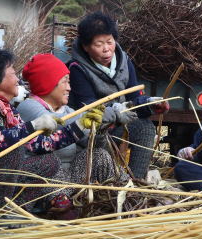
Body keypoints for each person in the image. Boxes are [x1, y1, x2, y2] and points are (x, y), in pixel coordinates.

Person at [0, 47, 104, 218]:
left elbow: (38, 144)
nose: (18, 79)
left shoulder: (7, 110)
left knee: (49, 162)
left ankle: (17, 212)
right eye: (12, 73)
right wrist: (32, 126)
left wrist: (79, 127)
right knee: (10, 152)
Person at [67, 11, 169, 179]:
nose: (107, 49)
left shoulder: (124, 61)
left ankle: (135, 183)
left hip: (119, 127)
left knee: (145, 127)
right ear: (86, 46)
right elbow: (89, 107)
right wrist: (119, 110)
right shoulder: (77, 68)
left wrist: (150, 104)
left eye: (110, 41)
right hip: (93, 132)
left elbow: (134, 97)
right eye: (99, 44)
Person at [17, 53, 132, 185]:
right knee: (50, 161)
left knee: (99, 154)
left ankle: (126, 187)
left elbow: (91, 144)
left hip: (71, 178)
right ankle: (59, 201)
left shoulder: (67, 111)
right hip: (46, 182)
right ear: (47, 83)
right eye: (64, 82)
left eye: (69, 82)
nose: (69, 88)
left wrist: (99, 129)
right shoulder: (28, 106)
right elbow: (56, 121)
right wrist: (94, 115)